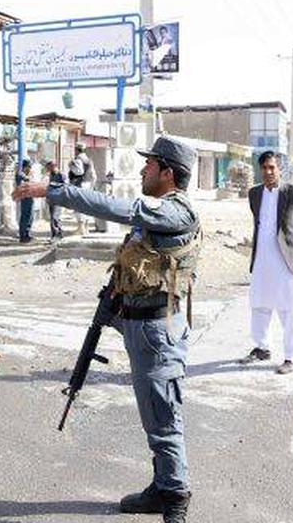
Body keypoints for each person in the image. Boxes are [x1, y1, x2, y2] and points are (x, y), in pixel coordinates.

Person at [14, 136, 200, 523]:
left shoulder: (175, 212)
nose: (144, 169)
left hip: (157, 331)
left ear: (168, 173)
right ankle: (162, 485)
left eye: (150, 164)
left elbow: (117, 207)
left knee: (164, 417)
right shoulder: (159, 213)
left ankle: (175, 499)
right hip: (141, 323)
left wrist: (53, 191)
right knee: (154, 413)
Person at [238, 151, 293, 374]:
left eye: (272, 167)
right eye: (264, 168)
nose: (268, 172)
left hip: (286, 260)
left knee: (291, 308)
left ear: (280, 168)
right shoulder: (254, 194)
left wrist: (290, 247)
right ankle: (262, 347)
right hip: (262, 258)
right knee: (259, 303)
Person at [67, 143, 97, 235]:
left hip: (80, 184)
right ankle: (86, 228)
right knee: (87, 206)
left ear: (76, 150)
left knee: (79, 206)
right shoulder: (88, 160)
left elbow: (79, 171)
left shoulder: (78, 159)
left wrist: (70, 165)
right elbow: (93, 176)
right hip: (88, 184)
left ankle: (81, 228)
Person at [16, 158, 34, 243]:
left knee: (30, 216)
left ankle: (27, 234)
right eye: (29, 167)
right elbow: (27, 181)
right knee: (25, 216)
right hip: (24, 197)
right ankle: (23, 235)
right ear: (25, 167)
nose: (30, 169)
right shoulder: (21, 174)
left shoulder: (25, 174)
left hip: (29, 197)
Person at [45, 161, 64, 241]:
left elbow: (65, 186)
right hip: (51, 199)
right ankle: (54, 234)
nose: (48, 169)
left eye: (49, 167)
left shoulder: (61, 175)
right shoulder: (51, 175)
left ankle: (57, 234)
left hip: (58, 198)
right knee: (52, 218)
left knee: (55, 217)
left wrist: (54, 185)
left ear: (53, 166)